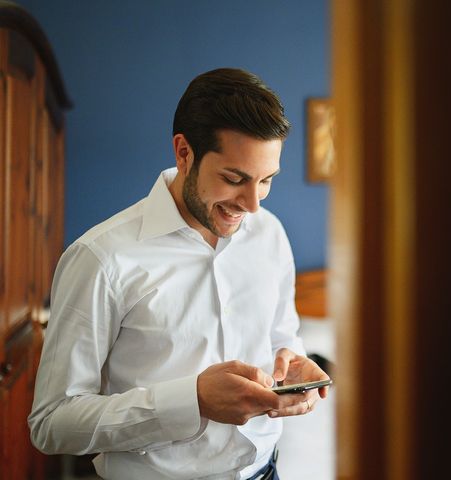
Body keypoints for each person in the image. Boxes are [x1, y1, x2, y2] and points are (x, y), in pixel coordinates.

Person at [28, 68, 330, 480]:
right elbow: (51, 424)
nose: (252, 205)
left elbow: (282, 335)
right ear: (183, 152)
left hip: (266, 472)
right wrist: (194, 401)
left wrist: (293, 363)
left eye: (266, 181)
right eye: (234, 179)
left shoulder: (270, 234)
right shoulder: (100, 259)